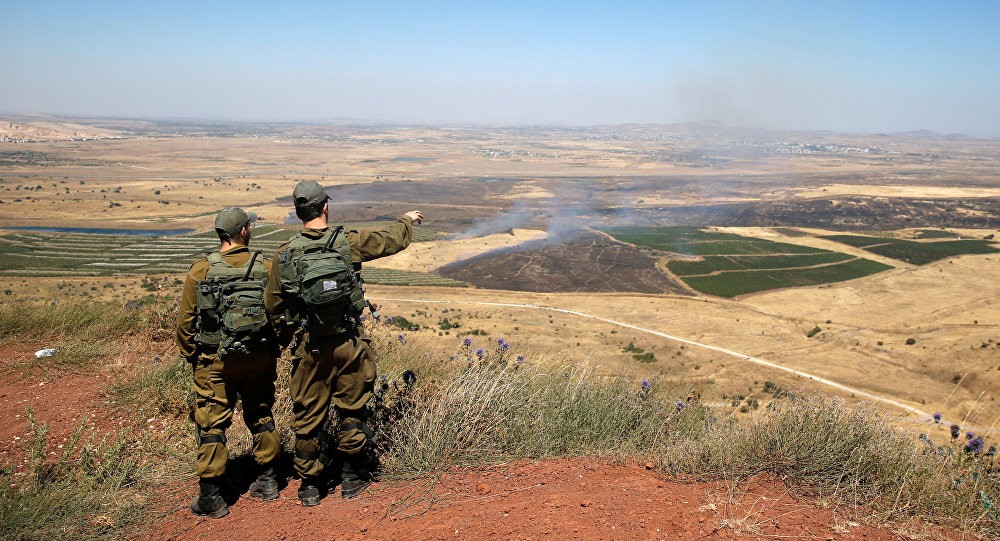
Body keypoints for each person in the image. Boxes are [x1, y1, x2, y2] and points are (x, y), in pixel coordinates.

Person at [264, 180, 422, 506]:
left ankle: (310, 485)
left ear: (297, 213)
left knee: (307, 415)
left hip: (310, 347)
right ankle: (352, 476)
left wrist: (285, 339)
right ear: (325, 207)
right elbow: (388, 241)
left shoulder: (286, 254)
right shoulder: (346, 241)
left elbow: (273, 307)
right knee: (352, 407)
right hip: (348, 341)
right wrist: (406, 220)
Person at [177, 207, 281, 518]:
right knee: (261, 412)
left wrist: (193, 356)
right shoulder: (265, 265)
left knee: (212, 420)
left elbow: (185, 324)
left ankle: (212, 495)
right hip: (259, 356)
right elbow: (279, 312)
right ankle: (268, 480)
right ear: (243, 232)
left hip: (215, 359)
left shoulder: (201, 270)